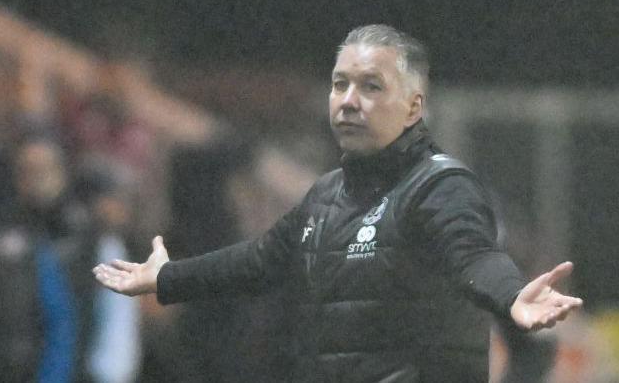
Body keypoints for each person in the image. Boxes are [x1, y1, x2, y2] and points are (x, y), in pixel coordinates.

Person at [93, 24, 583, 382]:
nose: (349, 100)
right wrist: (166, 278)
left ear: (413, 108)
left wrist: (513, 295)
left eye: (371, 86)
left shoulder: (440, 187)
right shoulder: (326, 196)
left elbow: (473, 255)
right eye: (340, 84)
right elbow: (261, 260)